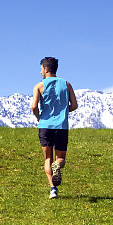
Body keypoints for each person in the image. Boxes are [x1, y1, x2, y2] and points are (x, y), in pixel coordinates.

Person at [31, 56, 78, 199]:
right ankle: (57, 166)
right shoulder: (67, 84)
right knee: (60, 158)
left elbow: (33, 106)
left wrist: (39, 117)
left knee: (47, 159)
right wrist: (62, 111)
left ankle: (53, 190)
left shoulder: (39, 86)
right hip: (61, 126)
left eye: (40, 70)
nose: (40, 73)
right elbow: (74, 105)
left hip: (45, 125)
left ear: (46, 69)